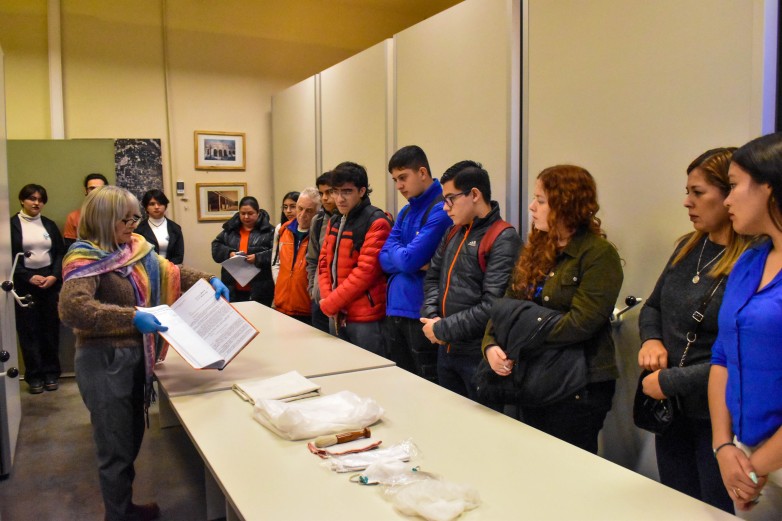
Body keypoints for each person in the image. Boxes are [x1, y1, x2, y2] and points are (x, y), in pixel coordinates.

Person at [58, 186, 228, 521]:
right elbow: (73, 309)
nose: (133, 225)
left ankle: (124, 507)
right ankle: (118, 514)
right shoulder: (84, 257)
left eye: (135, 218)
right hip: (104, 361)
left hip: (135, 358)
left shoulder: (133, 248)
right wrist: (131, 317)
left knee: (131, 436)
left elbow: (171, 272)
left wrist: (208, 280)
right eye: (125, 220)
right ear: (103, 219)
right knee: (114, 447)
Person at [639, 148, 750, 513]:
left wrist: (671, 381)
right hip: (672, 410)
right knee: (677, 504)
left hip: (718, 419)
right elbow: (652, 307)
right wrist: (652, 339)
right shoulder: (687, 248)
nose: (687, 202)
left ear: (729, 194)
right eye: (687, 192)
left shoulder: (752, 263)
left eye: (698, 192)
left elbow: (737, 356)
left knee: (715, 509)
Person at [482, 165, 622, 454]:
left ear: (566, 204)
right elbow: (505, 308)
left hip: (578, 387)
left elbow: (581, 324)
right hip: (532, 378)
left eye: (541, 200)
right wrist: (491, 345)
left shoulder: (598, 254)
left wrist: (520, 333)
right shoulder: (536, 248)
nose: (532, 207)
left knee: (567, 468)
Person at [709, 132, 782, 518]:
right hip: (746, 455)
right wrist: (724, 446)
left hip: (761, 463)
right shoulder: (750, 261)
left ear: (769, 187)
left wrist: (756, 466)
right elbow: (722, 355)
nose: (727, 200)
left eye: (735, 185)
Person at [421, 161, 521, 400]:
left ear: (474, 194)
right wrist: (432, 316)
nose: (445, 207)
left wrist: (442, 328)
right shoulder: (453, 232)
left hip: (478, 355)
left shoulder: (503, 237)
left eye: (450, 199)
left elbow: (493, 306)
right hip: (445, 349)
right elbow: (433, 278)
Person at [380, 146, 451, 381]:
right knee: (401, 384)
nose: (399, 186)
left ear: (422, 172)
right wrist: (406, 257)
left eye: (403, 177)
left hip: (422, 313)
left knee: (427, 385)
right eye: (395, 180)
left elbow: (408, 260)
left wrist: (403, 256)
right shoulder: (405, 211)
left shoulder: (441, 208)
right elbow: (383, 259)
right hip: (395, 309)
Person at [317, 162, 391, 353]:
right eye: (335, 191)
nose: (339, 198)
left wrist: (330, 303)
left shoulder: (376, 221)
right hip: (336, 311)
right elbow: (324, 262)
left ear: (362, 191)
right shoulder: (336, 219)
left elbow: (366, 272)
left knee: (369, 368)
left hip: (364, 317)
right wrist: (328, 299)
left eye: (347, 192)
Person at [10, 184, 66, 394]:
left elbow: (60, 253)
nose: (36, 203)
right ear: (22, 200)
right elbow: (8, 257)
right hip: (24, 284)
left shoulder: (49, 225)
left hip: (49, 283)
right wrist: (27, 276)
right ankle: (34, 376)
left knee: (50, 329)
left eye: (40, 200)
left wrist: (54, 275)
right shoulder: (11, 225)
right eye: (32, 198)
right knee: (29, 330)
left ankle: (51, 373)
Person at [211, 196, 275, 306]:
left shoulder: (270, 231)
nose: (246, 217)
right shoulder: (230, 230)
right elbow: (216, 246)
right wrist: (229, 253)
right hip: (232, 288)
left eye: (250, 213)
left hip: (261, 289)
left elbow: (277, 254)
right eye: (242, 213)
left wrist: (258, 258)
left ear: (258, 212)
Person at [273, 187, 320, 323]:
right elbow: (276, 263)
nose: (302, 214)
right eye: (300, 208)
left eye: (309, 211)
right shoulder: (283, 230)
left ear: (318, 212)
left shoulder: (320, 235)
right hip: (281, 304)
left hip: (307, 308)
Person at [307, 172, 337, 332]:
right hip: (319, 301)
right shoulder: (317, 221)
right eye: (321, 193)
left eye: (329, 192)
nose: (325, 198)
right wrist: (313, 289)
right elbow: (312, 259)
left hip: (340, 300)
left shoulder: (350, 220)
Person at [135, 189, 184, 264]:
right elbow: (137, 255)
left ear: (165, 206)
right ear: (146, 207)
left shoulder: (175, 228)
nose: (156, 207)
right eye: (152, 204)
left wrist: (165, 267)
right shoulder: (139, 229)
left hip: (171, 268)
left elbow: (179, 256)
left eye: (160, 203)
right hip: (146, 269)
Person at [64, 173, 108, 247]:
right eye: (92, 188)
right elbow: (70, 247)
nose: (95, 192)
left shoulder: (117, 216)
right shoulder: (73, 217)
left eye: (100, 189)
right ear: (86, 191)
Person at [271, 191, 300, 283]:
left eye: (293, 206)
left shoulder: (309, 228)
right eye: (285, 207)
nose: (288, 211)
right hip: (283, 280)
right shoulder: (280, 228)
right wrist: (278, 281)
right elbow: (275, 260)